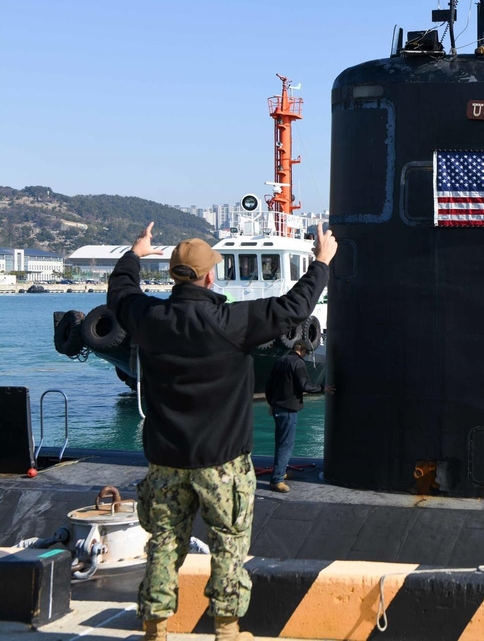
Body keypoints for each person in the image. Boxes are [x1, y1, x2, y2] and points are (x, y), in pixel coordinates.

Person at [107, 222, 336, 641]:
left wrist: (134, 254)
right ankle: (227, 630)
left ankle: (154, 627)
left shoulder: (150, 319)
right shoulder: (233, 322)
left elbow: (121, 294)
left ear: (174, 275)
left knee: (163, 543)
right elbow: (294, 307)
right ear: (210, 275)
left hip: (166, 461)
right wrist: (321, 261)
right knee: (228, 543)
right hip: (223, 463)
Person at [264, 339, 334, 493]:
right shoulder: (298, 363)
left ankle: (280, 472)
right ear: (302, 350)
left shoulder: (281, 360)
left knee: (280, 442)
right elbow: (305, 385)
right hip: (288, 409)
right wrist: (324, 388)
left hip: (277, 407)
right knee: (286, 445)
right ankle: (277, 480)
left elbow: (268, 384)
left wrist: (272, 403)